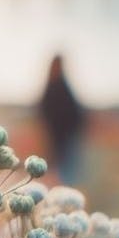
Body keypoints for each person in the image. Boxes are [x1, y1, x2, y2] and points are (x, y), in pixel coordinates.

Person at [36, 53, 86, 184]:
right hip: (60, 137)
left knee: (63, 171)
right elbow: (47, 113)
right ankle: (59, 198)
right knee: (63, 172)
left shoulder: (58, 85)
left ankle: (61, 197)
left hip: (65, 136)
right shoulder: (56, 86)